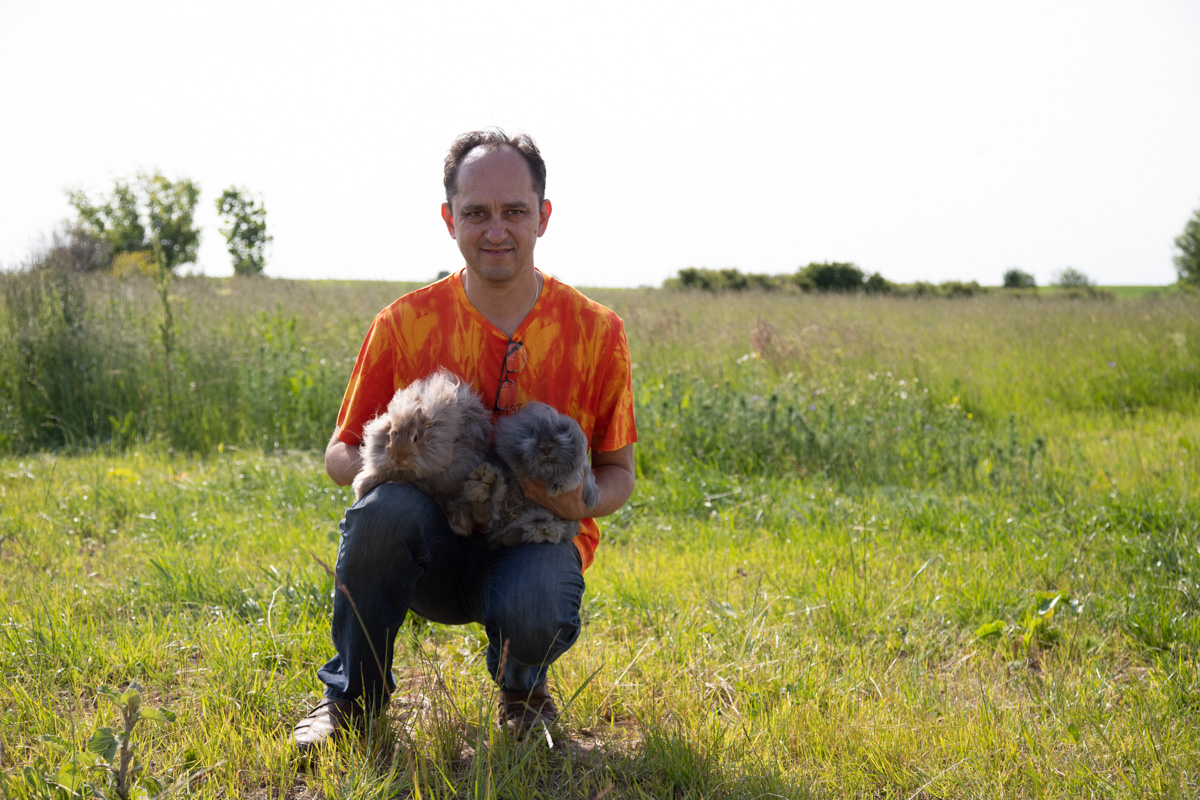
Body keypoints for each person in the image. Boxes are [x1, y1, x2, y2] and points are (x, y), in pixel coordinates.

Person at [292, 129, 637, 751]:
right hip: (432, 553)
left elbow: (620, 473)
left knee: (535, 599)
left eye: (514, 211)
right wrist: (401, 463)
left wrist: (574, 502)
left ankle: (524, 695)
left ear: (544, 216)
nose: (496, 229)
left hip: (531, 543)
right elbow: (339, 454)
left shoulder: (596, 332)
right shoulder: (403, 324)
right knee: (381, 514)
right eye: (476, 212)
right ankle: (351, 702)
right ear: (450, 219)